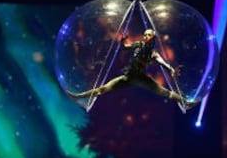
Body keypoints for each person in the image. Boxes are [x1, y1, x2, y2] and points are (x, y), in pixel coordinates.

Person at [66, 28, 199, 108]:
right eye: (145, 34)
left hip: (141, 78)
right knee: (102, 89)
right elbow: (125, 48)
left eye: (148, 35)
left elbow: (162, 63)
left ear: (152, 38)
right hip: (128, 77)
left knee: (166, 93)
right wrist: (123, 42)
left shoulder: (153, 53)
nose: (145, 37)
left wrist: (171, 70)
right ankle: (79, 96)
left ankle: (186, 102)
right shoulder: (137, 44)